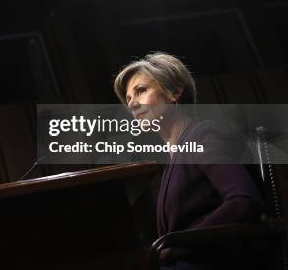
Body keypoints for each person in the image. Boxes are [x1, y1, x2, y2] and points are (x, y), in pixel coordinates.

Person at [113, 52, 264, 269]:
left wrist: (179, 247)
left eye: (141, 91)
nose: (133, 104)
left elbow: (244, 200)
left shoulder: (202, 137)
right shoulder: (175, 154)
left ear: (174, 91)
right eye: (128, 99)